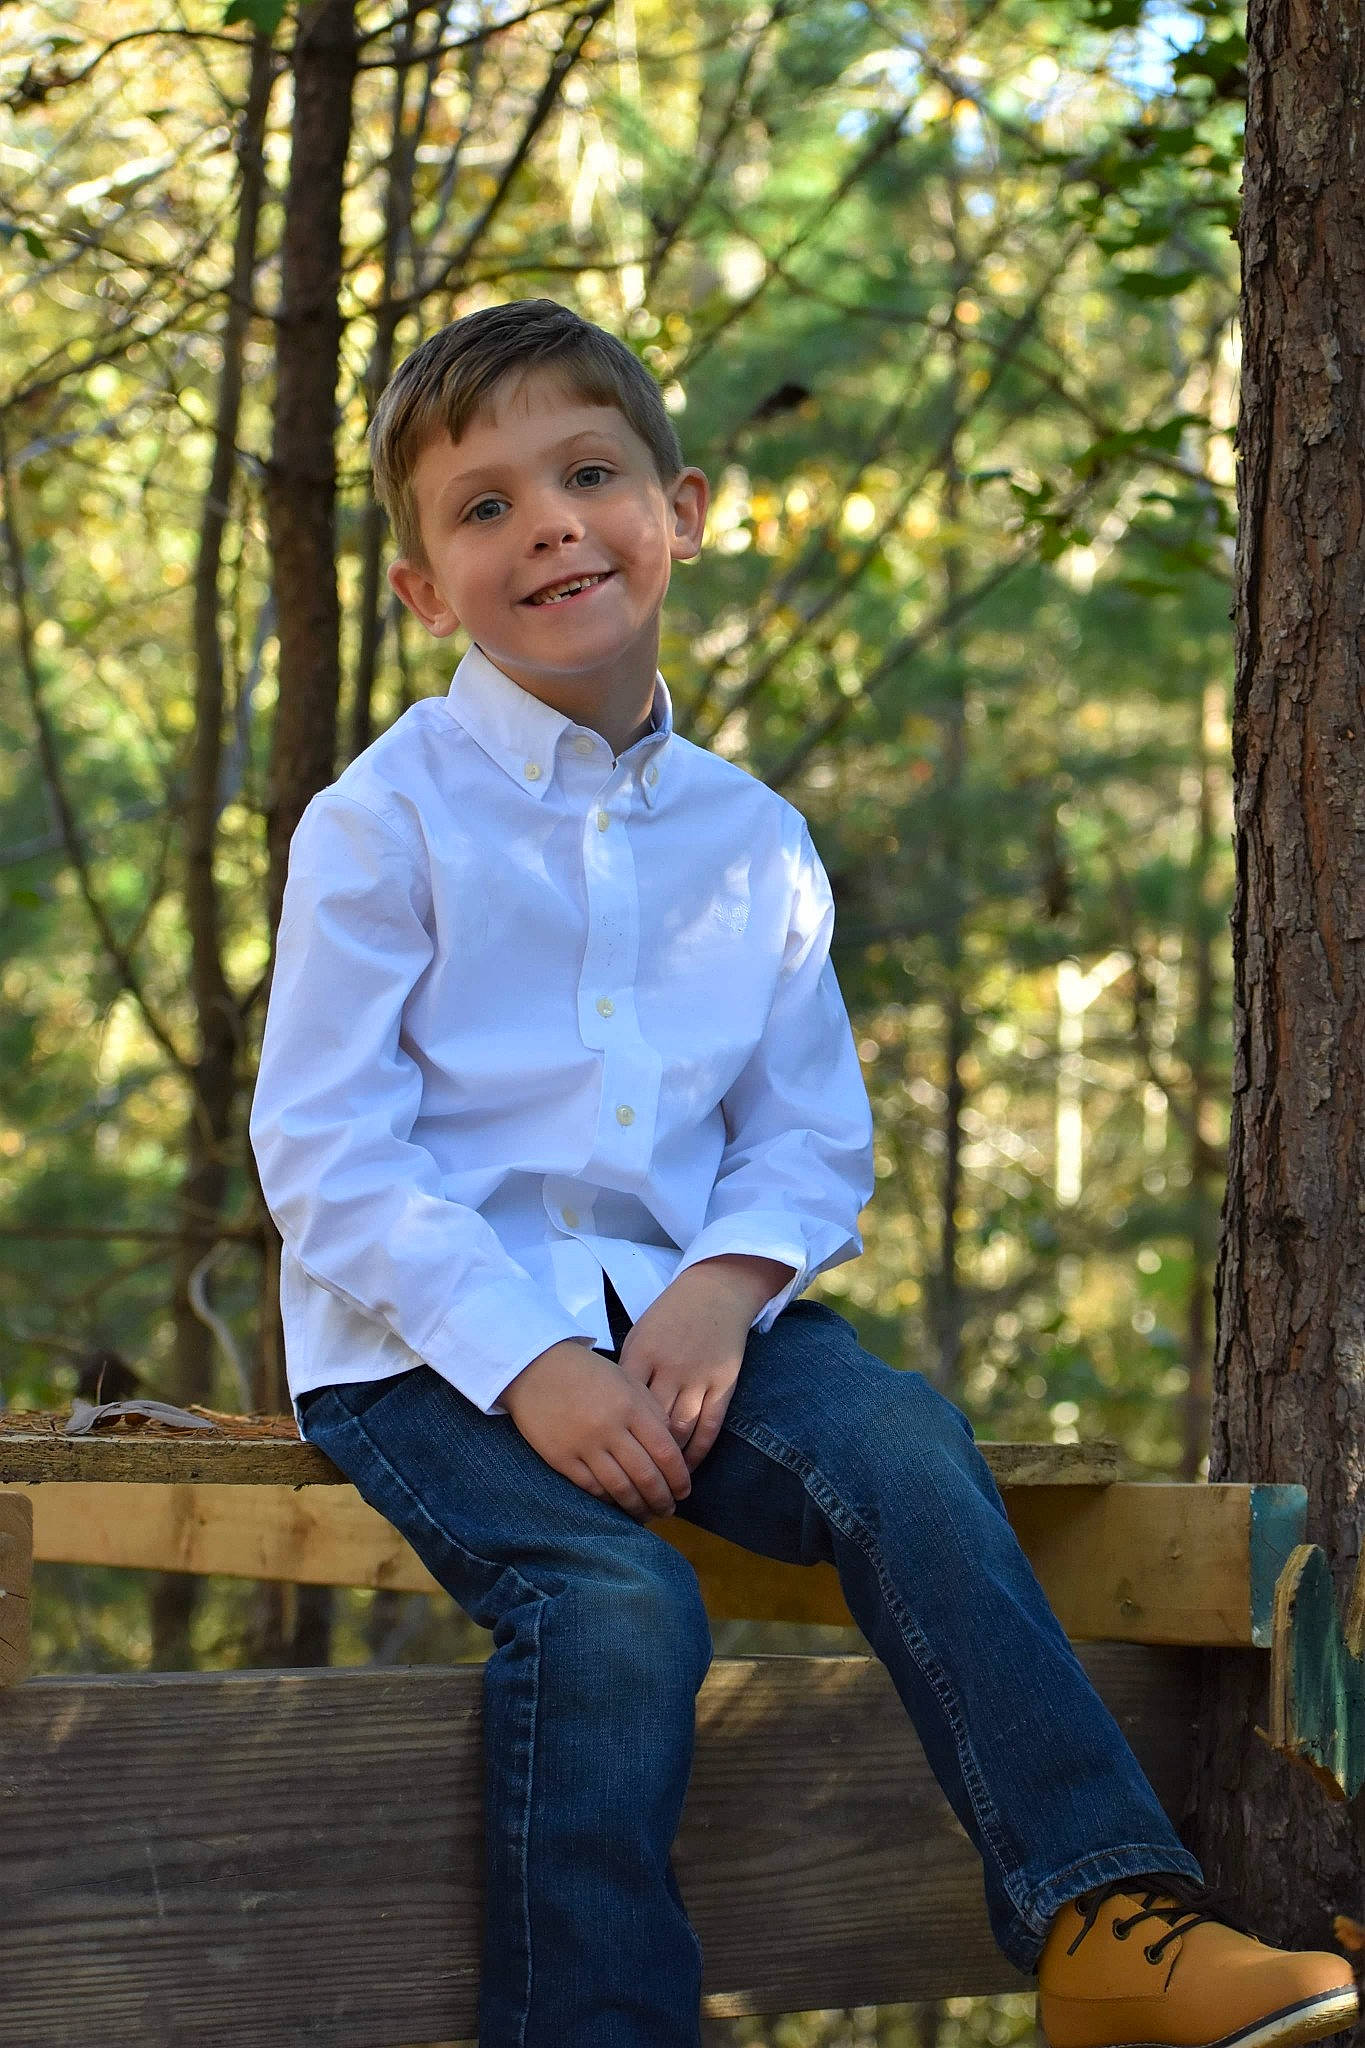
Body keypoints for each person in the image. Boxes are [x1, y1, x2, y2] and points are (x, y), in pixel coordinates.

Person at [248, 297, 1358, 2048]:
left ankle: (1100, 1924)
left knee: (903, 1450)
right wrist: (530, 1365)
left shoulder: (751, 840)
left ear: (678, 511)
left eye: (588, 473)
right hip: (425, 1346)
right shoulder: (383, 822)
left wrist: (718, 1286)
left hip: (697, 1323)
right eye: (483, 506)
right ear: (419, 590)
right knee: (614, 1609)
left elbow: (805, 1134)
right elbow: (324, 1148)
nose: (545, 521)